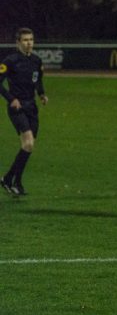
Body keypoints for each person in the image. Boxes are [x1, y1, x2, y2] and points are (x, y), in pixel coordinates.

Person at [0, 27, 49, 196]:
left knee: (28, 146)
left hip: (31, 107)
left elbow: (38, 81)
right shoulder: (10, 61)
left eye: (31, 40)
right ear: (18, 43)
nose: (29, 43)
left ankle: (10, 180)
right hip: (17, 107)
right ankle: (15, 182)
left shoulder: (36, 60)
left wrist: (42, 94)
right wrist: (11, 99)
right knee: (28, 143)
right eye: (25, 40)